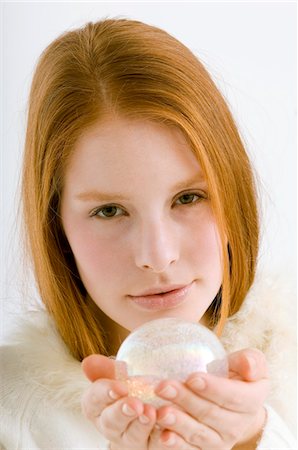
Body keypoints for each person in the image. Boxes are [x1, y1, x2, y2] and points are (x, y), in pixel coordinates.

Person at [0, 18, 296, 450]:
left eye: (189, 198)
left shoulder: (287, 371)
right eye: (109, 210)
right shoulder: (12, 414)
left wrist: (254, 440)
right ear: (56, 227)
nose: (157, 256)